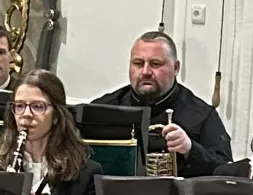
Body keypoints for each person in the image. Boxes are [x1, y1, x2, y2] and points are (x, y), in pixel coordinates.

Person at [93, 30, 232, 178]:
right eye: (138, 64)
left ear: (176, 68)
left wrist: (191, 150)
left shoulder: (202, 115)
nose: (146, 72)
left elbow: (226, 171)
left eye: (155, 64)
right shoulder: (104, 108)